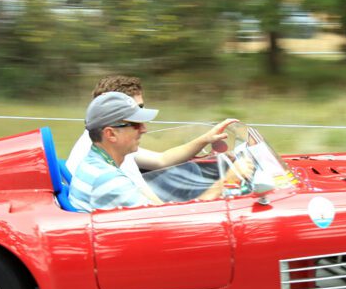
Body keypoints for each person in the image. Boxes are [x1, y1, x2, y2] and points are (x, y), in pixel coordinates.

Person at [65, 74, 235, 202]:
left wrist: (206, 139)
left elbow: (162, 160)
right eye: (135, 120)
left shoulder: (103, 151)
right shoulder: (109, 178)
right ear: (110, 133)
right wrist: (228, 182)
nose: (144, 127)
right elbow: (165, 217)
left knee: (193, 170)